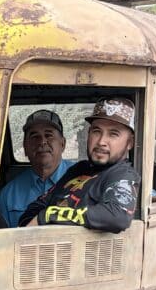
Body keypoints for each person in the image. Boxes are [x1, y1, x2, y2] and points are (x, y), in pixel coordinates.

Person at [18, 98, 140, 233]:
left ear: (130, 143)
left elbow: (118, 217)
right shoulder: (79, 169)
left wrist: (49, 215)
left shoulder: (122, 174)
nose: (101, 141)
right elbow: (37, 206)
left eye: (113, 134)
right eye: (96, 131)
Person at [0, 109, 75, 229]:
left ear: (62, 144)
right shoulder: (8, 195)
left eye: (49, 135)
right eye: (34, 136)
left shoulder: (84, 179)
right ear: (25, 148)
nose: (42, 142)